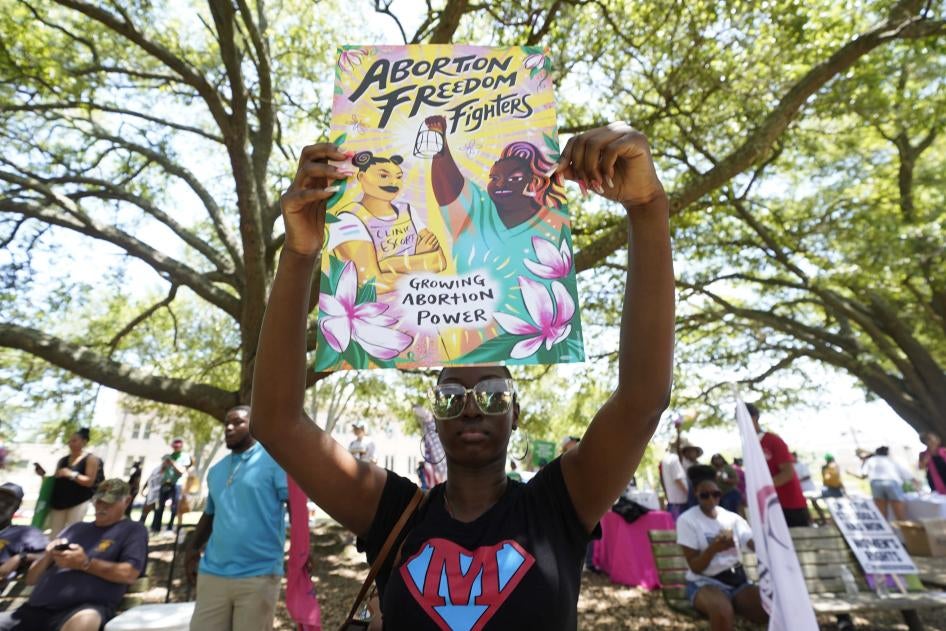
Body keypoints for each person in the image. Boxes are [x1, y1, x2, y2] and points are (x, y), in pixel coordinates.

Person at [252, 122, 674, 628]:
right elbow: (276, 422)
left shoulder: (558, 505)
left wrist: (648, 209)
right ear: (434, 414)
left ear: (516, 414)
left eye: (494, 394)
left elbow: (643, 399)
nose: (472, 405)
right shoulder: (393, 514)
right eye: (451, 395)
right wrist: (299, 254)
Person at [185, 405, 290, 631]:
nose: (229, 428)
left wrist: (302, 551)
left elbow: (295, 506)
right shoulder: (216, 471)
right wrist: (192, 550)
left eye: (238, 422)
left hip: (259, 574)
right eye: (226, 424)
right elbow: (210, 515)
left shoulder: (275, 462)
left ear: (255, 425)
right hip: (213, 573)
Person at [0, 479, 147, 631]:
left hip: (79, 612)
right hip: (33, 611)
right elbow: (31, 579)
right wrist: (48, 556)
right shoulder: (76, 528)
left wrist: (85, 563)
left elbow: (129, 573)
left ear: (127, 501)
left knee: (86, 620)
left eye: (109, 503)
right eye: (98, 501)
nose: (102, 507)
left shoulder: (133, 530)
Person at [327, 151, 446, 292]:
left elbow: (438, 261)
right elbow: (370, 283)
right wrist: (417, 259)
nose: (393, 182)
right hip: (375, 312)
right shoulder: (347, 219)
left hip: (419, 306)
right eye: (384, 176)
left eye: (399, 177)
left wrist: (385, 264)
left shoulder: (407, 211)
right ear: (361, 177)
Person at [676, 465, 767, 631]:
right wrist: (714, 548)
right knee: (722, 612)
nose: (711, 499)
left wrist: (765, 542)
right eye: (705, 495)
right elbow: (696, 567)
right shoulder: (687, 520)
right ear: (696, 493)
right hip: (704, 582)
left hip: (737, 581)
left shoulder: (732, 518)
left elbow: (751, 542)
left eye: (716, 494)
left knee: (770, 606)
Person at [746, 403, 811, 527]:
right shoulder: (750, 445)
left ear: (753, 418)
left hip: (790, 505)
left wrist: (761, 488)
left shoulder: (773, 440)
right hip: (770, 507)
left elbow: (787, 473)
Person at [34, 427, 102, 535]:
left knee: (72, 533)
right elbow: (55, 480)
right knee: (55, 533)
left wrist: (71, 474)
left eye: (74, 440)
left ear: (84, 442)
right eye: (69, 441)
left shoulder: (90, 459)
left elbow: (90, 481)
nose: (71, 443)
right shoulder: (63, 460)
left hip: (78, 502)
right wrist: (43, 475)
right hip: (59, 502)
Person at [850, 446, 915, 521]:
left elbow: (863, 474)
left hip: (876, 483)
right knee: (898, 508)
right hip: (892, 482)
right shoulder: (891, 459)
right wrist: (913, 480)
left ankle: (886, 527)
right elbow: (906, 473)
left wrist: (850, 473)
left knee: (881, 511)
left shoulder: (871, 460)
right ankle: (903, 525)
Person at [0, 483, 47, 584]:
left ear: (16, 507)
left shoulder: (25, 533)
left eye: (8, 502)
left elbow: (50, 555)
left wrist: (21, 557)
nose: (1, 505)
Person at [152, 438, 192, 533]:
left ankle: (170, 528)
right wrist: (164, 465)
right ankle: (156, 528)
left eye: (178, 444)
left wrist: (172, 462)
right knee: (160, 506)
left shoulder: (184, 456)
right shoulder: (169, 456)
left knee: (174, 507)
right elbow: (162, 471)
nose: (176, 446)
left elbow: (181, 471)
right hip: (165, 483)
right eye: (175, 444)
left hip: (176, 484)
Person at [660, 440, 689, 519]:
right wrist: (690, 494)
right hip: (680, 503)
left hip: (674, 502)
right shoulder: (674, 459)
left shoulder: (666, 459)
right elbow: (678, 479)